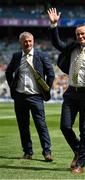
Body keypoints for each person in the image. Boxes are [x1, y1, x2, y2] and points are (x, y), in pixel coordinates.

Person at [47, 8, 85, 173]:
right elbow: (57, 44)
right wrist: (54, 25)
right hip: (71, 93)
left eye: (83, 34)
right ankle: (78, 150)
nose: (80, 37)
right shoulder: (72, 47)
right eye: (78, 34)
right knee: (65, 126)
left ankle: (80, 164)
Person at [5, 32, 55, 161]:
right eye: (25, 41)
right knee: (23, 126)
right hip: (20, 97)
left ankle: (47, 152)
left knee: (41, 125)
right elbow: (8, 72)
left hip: (36, 97)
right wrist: (13, 87)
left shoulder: (41, 56)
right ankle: (27, 152)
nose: (27, 43)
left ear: (33, 41)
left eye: (30, 41)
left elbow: (51, 74)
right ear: (20, 42)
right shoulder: (16, 56)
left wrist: (45, 90)